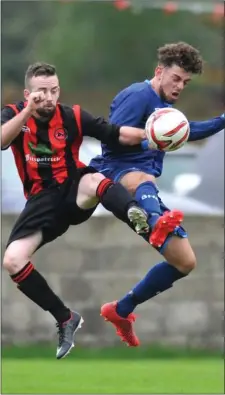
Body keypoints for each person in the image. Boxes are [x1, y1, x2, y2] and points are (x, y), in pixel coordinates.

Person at [1, 62, 154, 359]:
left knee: (94, 179)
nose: (48, 97)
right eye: (41, 92)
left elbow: (115, 133)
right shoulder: (14, 114)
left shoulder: (72, 116)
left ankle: (136, 214)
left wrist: (153, 135)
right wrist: (26, 111)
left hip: (73, 189)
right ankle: (65, 318)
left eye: (54, 90)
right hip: (41, 202)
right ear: (27, 93)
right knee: (12, 260)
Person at [90, 42, 225, 346]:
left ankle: (121, 309)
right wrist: (148, 141)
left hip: (143, 186)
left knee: (185, 261)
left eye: (186, 83)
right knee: (142, 177)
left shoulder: (167, 109)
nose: (180, 87)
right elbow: (112, 140)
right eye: (176, 78)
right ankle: (155, 218)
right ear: (159, 72)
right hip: (114, 173)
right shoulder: (138, 95)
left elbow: (188, 131)